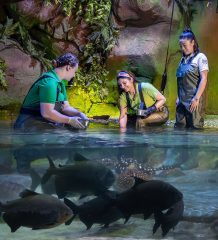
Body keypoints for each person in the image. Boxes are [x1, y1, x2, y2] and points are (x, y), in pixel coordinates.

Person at [14, 52, 88, 131]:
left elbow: (65, 107)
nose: (74, 75)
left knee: (75, 131)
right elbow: (47, 113)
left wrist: (79, 114)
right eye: (74, 71)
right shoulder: (49, 83)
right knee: (66, 137)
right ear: (68, 68)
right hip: (27, 124)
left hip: (41, 123)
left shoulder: (60, 84)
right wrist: (69, 120)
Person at [175, 29, 209, 129]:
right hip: (181, 102)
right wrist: (178, 97)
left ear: (193, 42)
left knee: (195, 129)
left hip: (193, 102)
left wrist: (196, 98)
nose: (182, 48)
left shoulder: (200, 57)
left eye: (184, 45)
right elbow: (180, 81)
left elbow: (204, 79)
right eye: (180, 46)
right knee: (179, 129)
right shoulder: (182, 60)